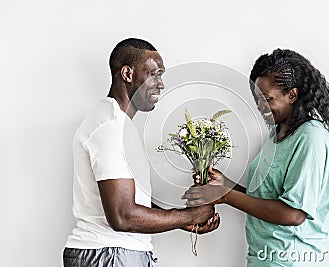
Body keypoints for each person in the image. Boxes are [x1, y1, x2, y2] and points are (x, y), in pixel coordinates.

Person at [63, 38, 220, 267]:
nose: (161, 84)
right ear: (128, 74)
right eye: (154, 74)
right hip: (109, 254)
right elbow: (123, 215)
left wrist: (181, 221)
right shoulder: (110, 127)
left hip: (114, 254)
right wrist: (190, 216)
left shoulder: (120, 125)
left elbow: (131, 202)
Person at [183, 49, 329, 266]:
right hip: (264, 258)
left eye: (266, 100)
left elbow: (294, 214)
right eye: (257, 99)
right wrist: (225, 184)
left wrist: (225, 195)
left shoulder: (310, 136)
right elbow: (265, 199)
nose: (259, 107)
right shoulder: (276, 135)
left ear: (292, 95)